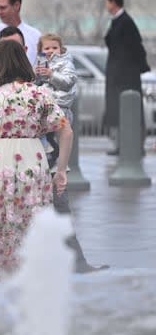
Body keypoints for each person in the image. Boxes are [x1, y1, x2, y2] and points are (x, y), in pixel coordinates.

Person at [0, 40, 73, 283]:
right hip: (31, 158)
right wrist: (61, 170)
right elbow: (66, 131)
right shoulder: (38, 93)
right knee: (31, 220)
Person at [35, 33, 109, 274]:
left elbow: (66, 129)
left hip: (52, 133)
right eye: (46, 48)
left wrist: (61, 170)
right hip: (36, 149)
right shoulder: (35, 71)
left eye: (54, 47)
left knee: (59, 202)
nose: (50, 51)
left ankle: (74, 262)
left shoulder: (63, 65)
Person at [103, 0, 150, 156]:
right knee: (119, 111)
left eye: (108, 2)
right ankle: (122, 146)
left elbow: (135, 47)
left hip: (126, 76)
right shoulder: (118, 21)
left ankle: (136, 146)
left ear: (114, 3)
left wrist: (135, 68)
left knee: (130, 110)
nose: (106, 6)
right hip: (119, 75)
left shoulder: (126, 22)